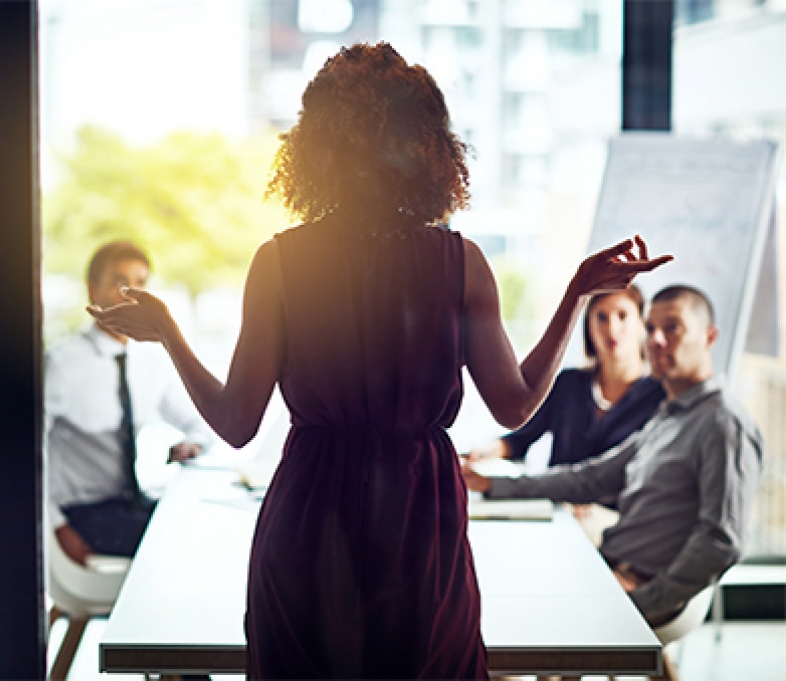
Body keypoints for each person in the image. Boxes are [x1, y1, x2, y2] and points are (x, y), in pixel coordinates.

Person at [91, 43, 670, 679]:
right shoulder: (460, 262)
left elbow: (236, 424)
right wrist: (576, 294)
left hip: (309, 513)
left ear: (319, 147)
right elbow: (514, 404)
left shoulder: (280, 263)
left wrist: (171, 332)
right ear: (424, 145)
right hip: (420, 518)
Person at [463, 285, 763, 627]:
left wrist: (643, 600)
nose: (657, 340)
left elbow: (721, 541)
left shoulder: (723, 422)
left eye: (673, 327)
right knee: (498, 596)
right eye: (651, 328)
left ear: (709, 338)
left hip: (641, 585)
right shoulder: (671, 414)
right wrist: (493, 484)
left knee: (507, 620)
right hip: (610, 564)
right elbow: (592, 476)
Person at [45, 240, 212, 565]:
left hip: (129, 504)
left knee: (199, 523)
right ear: (93, 290)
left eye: (140, 283)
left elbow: (201, 423)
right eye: (119, 282)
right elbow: (14, 457)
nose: (131, 294)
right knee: (179, 542)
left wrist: (193, 443)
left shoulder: (150, 360)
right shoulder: (62, 364)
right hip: (82, 514)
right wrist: (56, 526)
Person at [468, 285, 665, 470]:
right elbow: (519, 439)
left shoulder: (660, 394)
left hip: (618, 506)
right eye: (601, 317)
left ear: (642, 324)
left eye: (623, 316)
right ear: (588, 327)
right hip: (556, 502)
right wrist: (485, 452)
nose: (612, 328)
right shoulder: (568, 384)